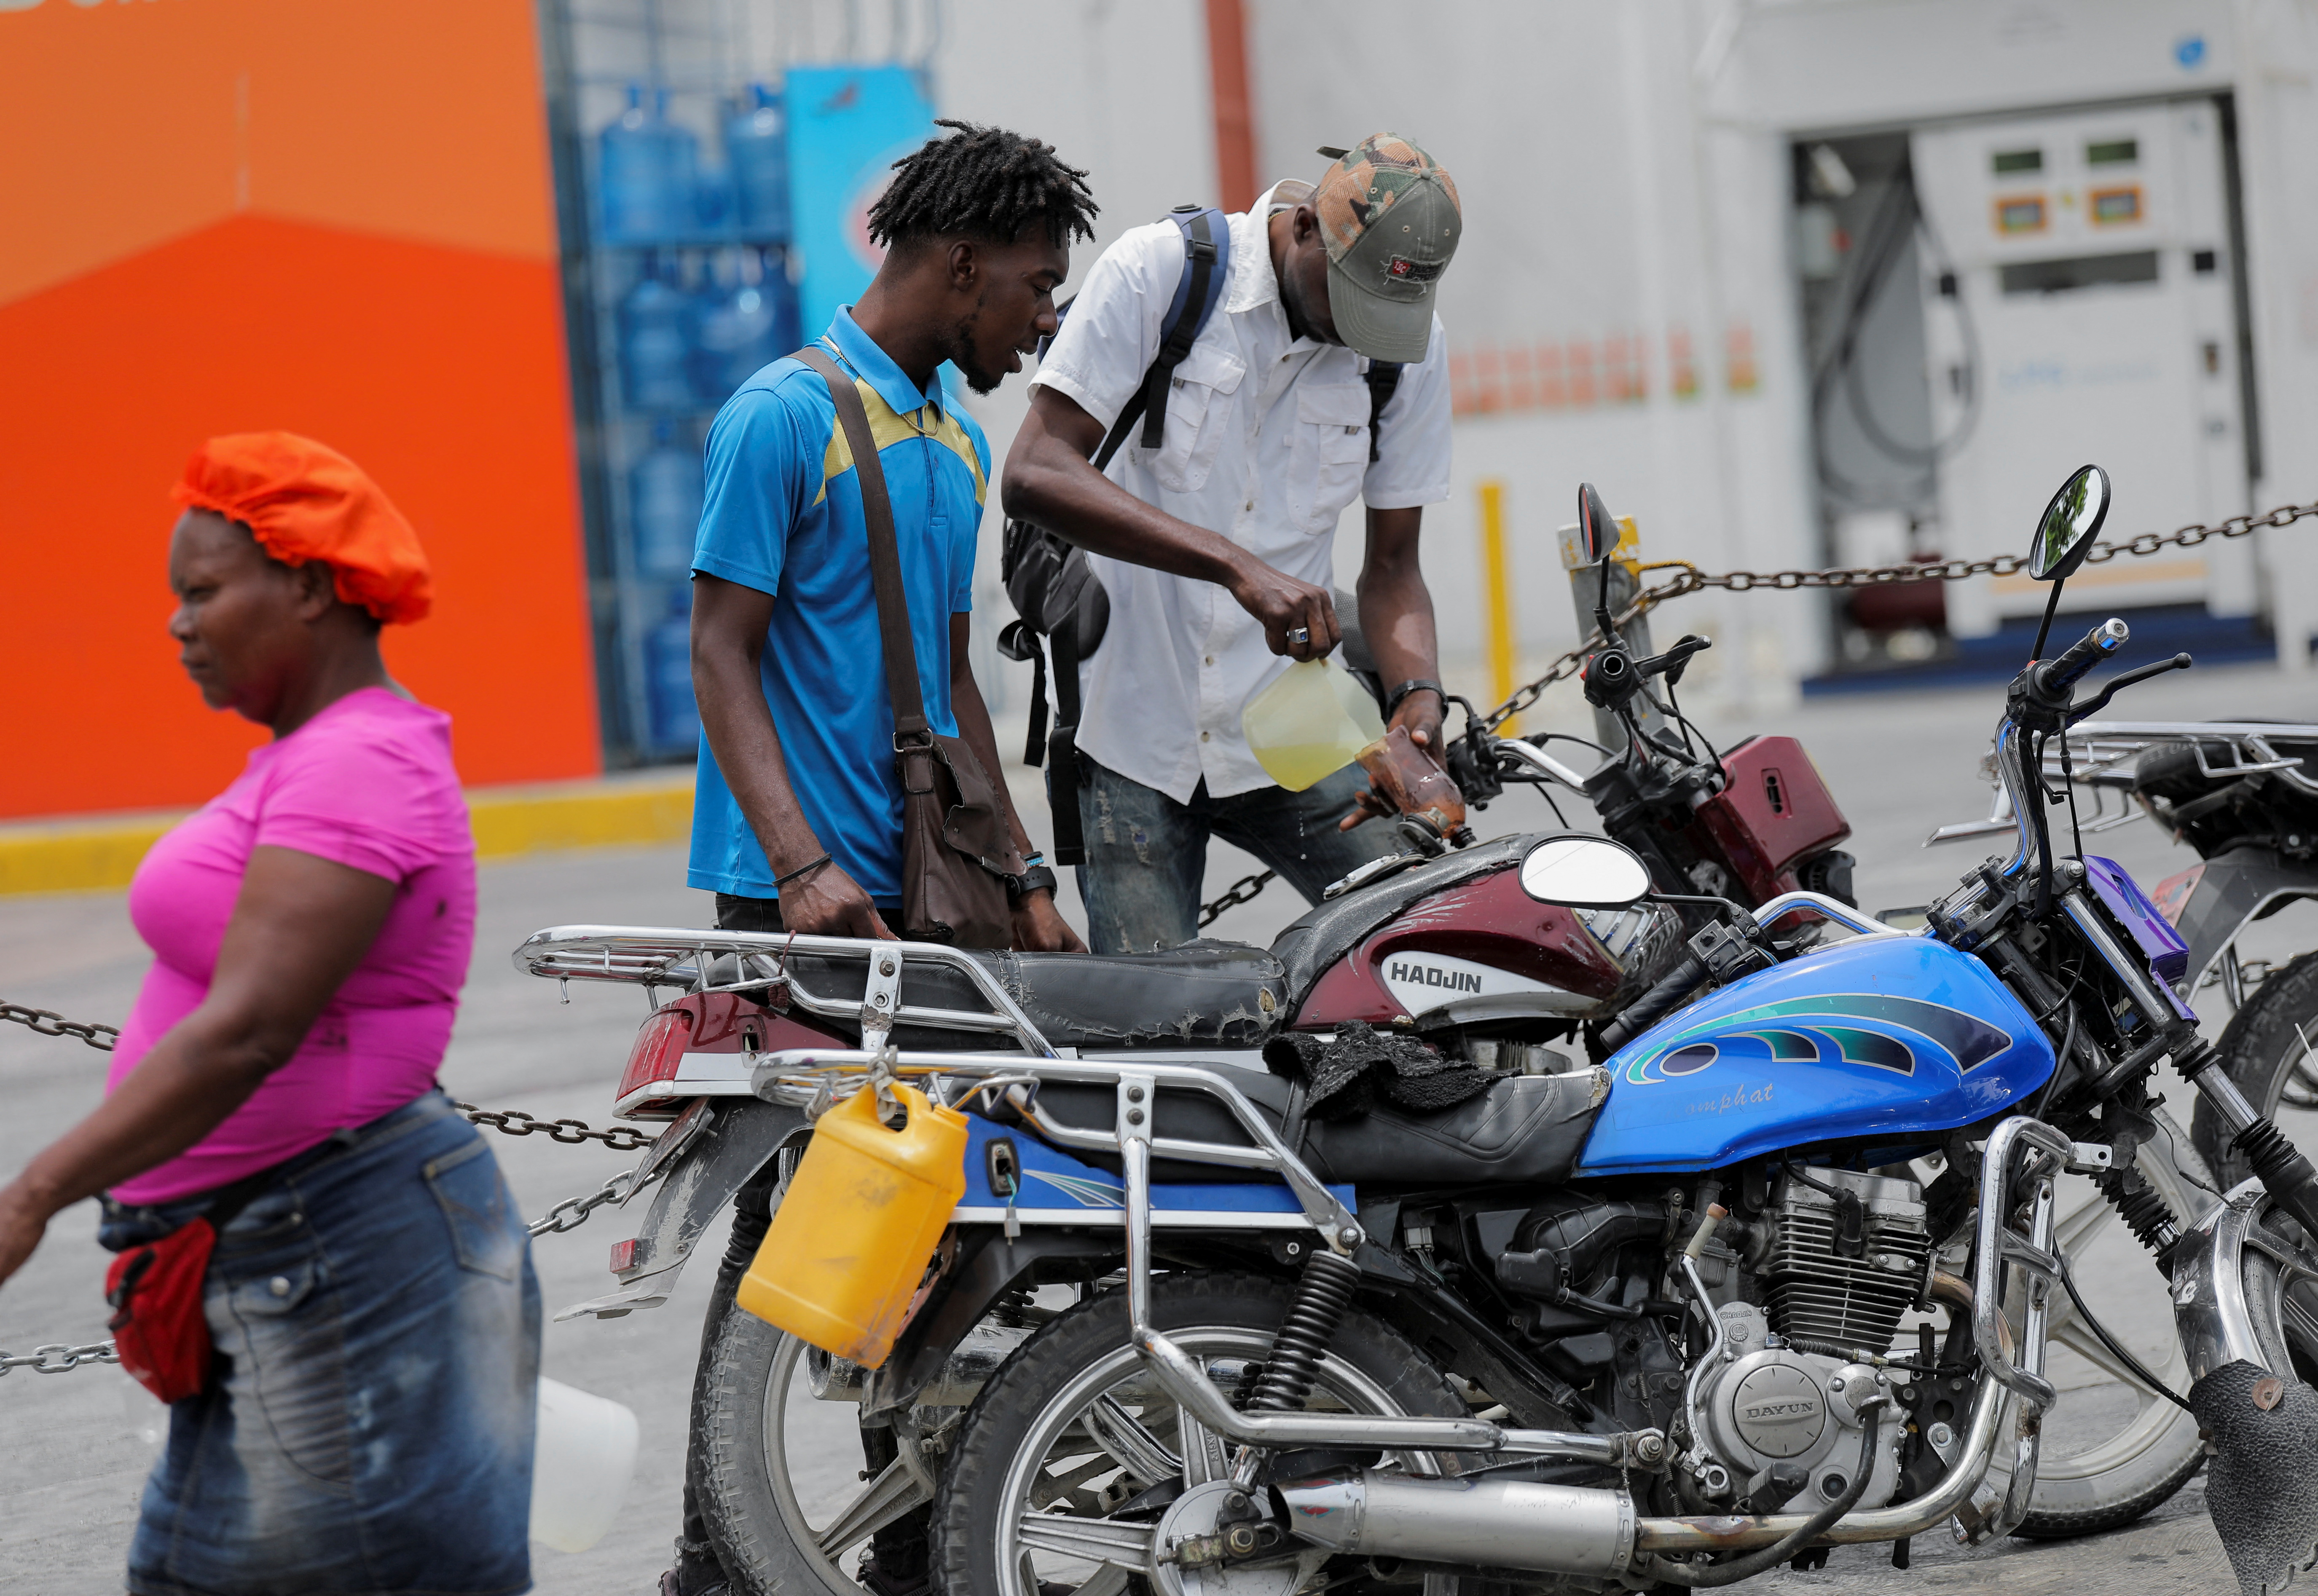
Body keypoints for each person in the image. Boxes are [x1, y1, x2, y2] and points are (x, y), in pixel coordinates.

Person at [667, 122, 1101, 1596]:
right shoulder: (777, 417)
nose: (1047, 319)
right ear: (961, 262)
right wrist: (798, 867)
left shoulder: (955, 437)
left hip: (927, 894)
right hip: (801, 897)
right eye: (1037, 286)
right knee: (788, 1239)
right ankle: (719, 1561)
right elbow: (718, 656)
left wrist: (1025, 872)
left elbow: (956, 678)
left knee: (933, 1219)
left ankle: (914, 1539)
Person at [0, 434, 534, 1595]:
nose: (176, 626)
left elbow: (250, 1029)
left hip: (338, 1256)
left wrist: (33, 1191)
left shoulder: (359, 765)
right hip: (282, 1255)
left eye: (202, 591)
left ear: (305, 581)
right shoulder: (309, 757)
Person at [1002, 134, 1463, 953]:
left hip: (1302, 729)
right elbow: (1036, 470)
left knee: (1421, 962)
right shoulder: (1160, 275)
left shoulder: (1404, 351)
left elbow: (1393, 567)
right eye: (1352, 300)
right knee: (1149, 1036)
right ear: (1307, 228)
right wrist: (1236, 568)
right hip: (1133, 732)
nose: (1364, 333)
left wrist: (1416, 701)